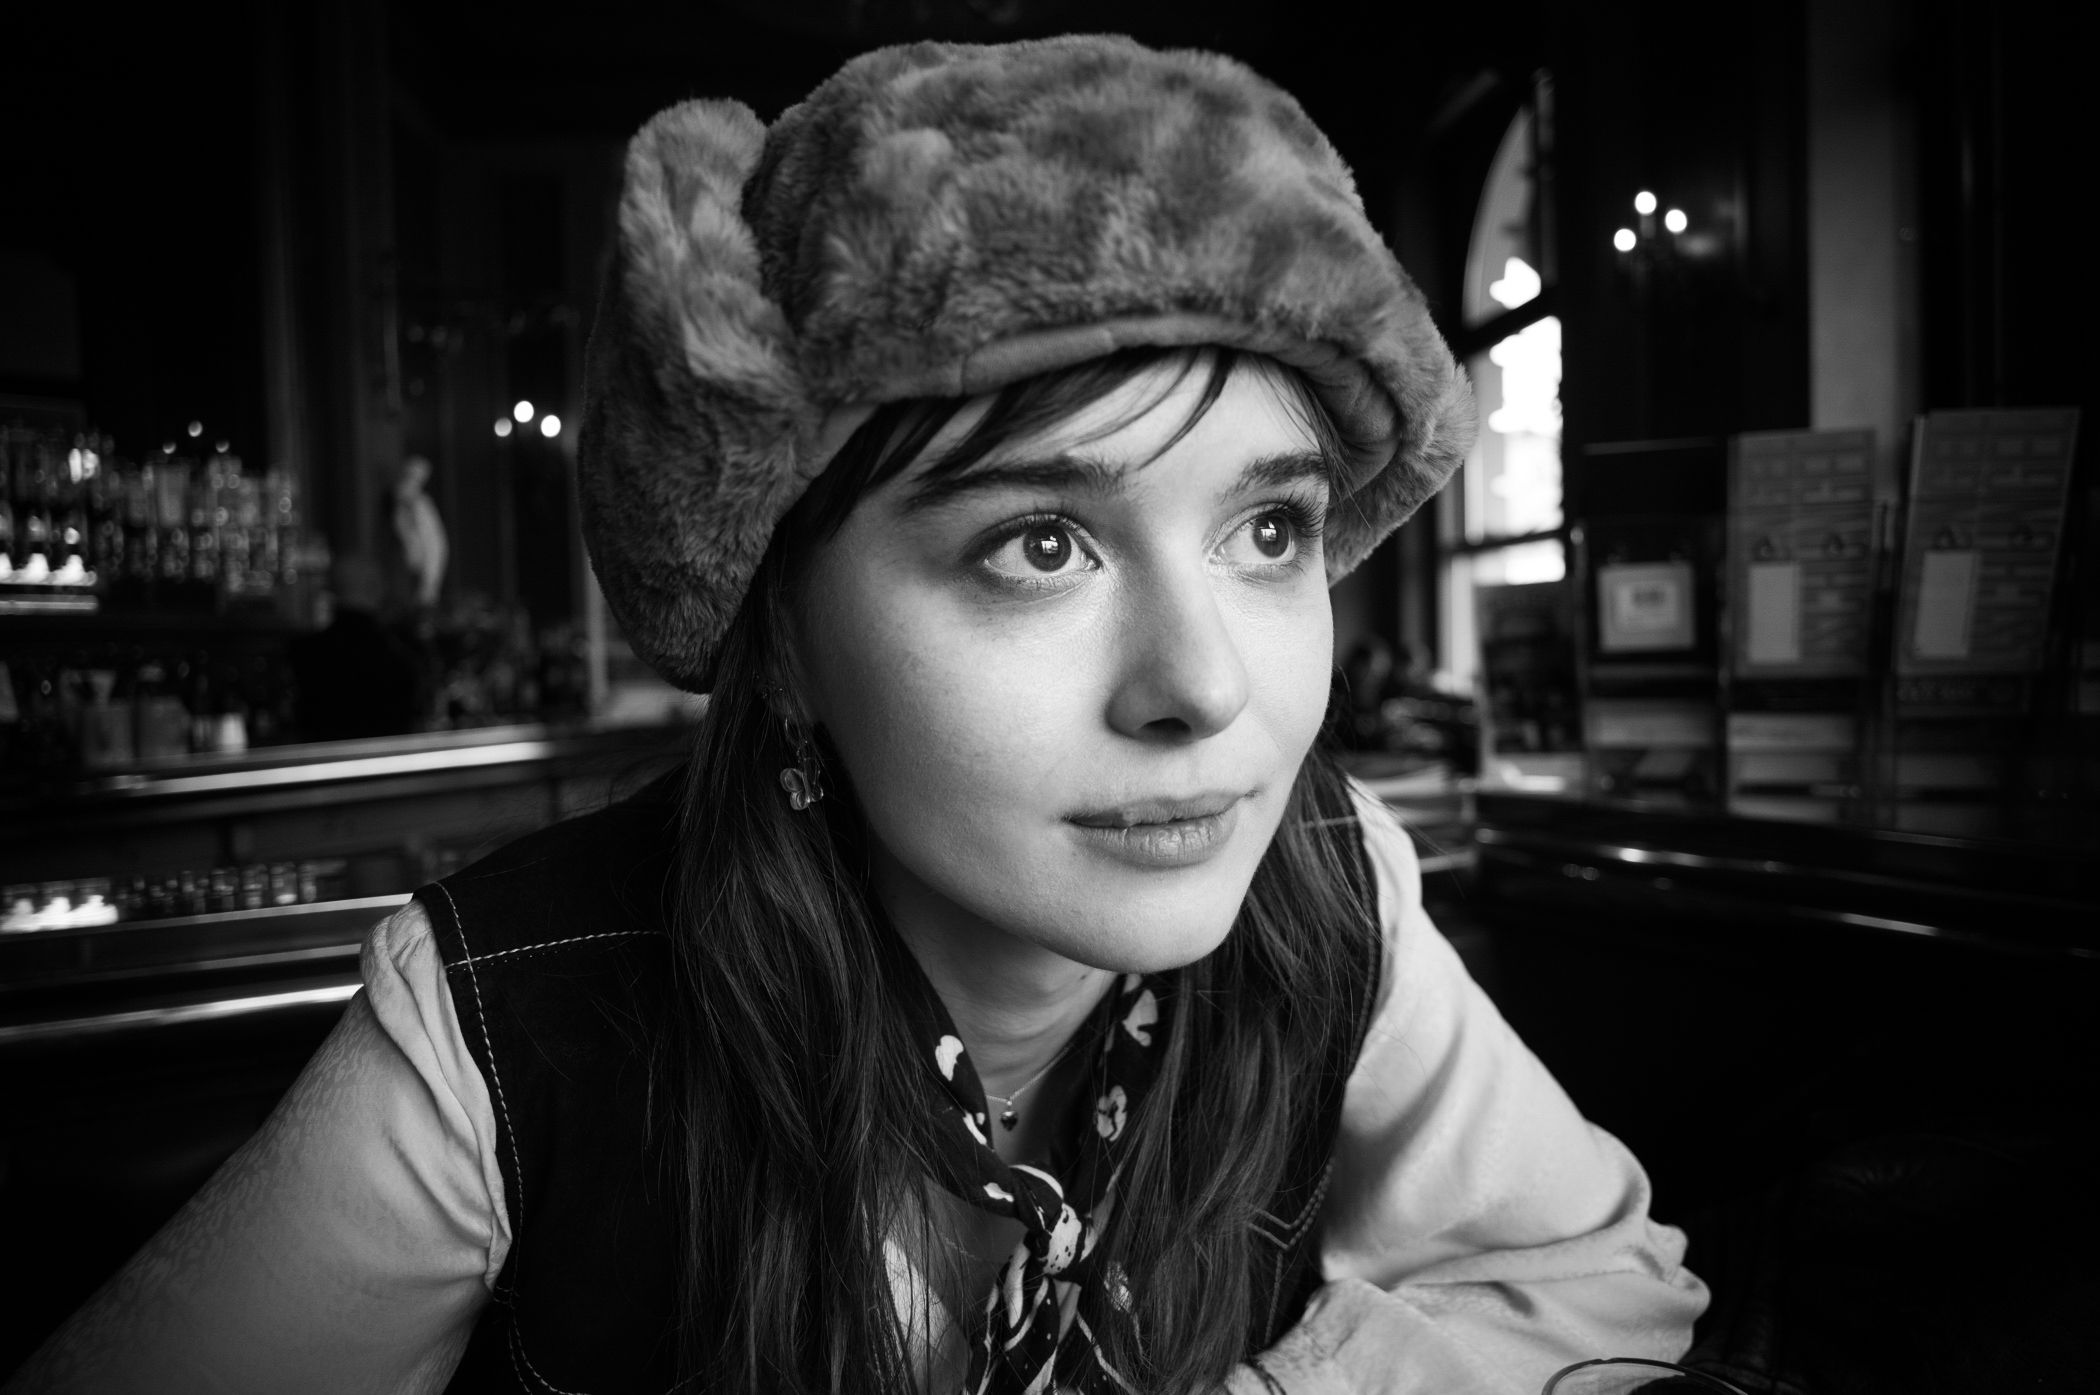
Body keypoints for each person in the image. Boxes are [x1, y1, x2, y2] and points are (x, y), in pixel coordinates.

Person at [5, 36, 1705, 1395]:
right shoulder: (507, 1025)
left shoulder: (1332, 886)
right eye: (1041, 545)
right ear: (787, 638)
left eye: (1269, 532)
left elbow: (1590, 1275)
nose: (1206, 688)